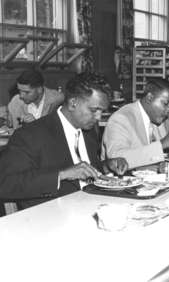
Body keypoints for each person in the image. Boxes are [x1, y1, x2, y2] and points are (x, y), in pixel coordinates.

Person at [0, 72, 128, 209]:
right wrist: (62, 175)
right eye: (94, 110)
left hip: (91, 206)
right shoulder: (31, 134)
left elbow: (86, 171)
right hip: (51, 217)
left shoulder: (89, 131)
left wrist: (108, 165)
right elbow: (5, 184)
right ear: (73, 103)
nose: (98, 117)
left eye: (102, 111)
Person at [102, 78, 169, 169]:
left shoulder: (156, 119)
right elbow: (116, 159)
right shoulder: (121, 118)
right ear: (149, 98)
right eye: (165, 104)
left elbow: (162, 156)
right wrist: (162, 144)